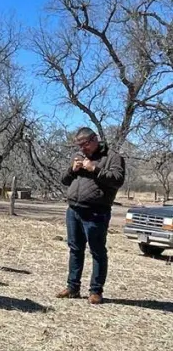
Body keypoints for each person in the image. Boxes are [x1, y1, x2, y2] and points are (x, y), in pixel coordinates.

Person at [56, 127, 125, 304]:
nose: (81, 149)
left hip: (96, 212)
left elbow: (117, 180)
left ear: (94, 140)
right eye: (78, 145)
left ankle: (96, 291)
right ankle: (72, 287)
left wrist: (94, 169)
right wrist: (72, 169)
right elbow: (64, 180)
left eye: (84, 145)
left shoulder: (112, 157)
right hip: (74, 210)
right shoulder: (78, 156)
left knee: (97, 251)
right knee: (75, 249)